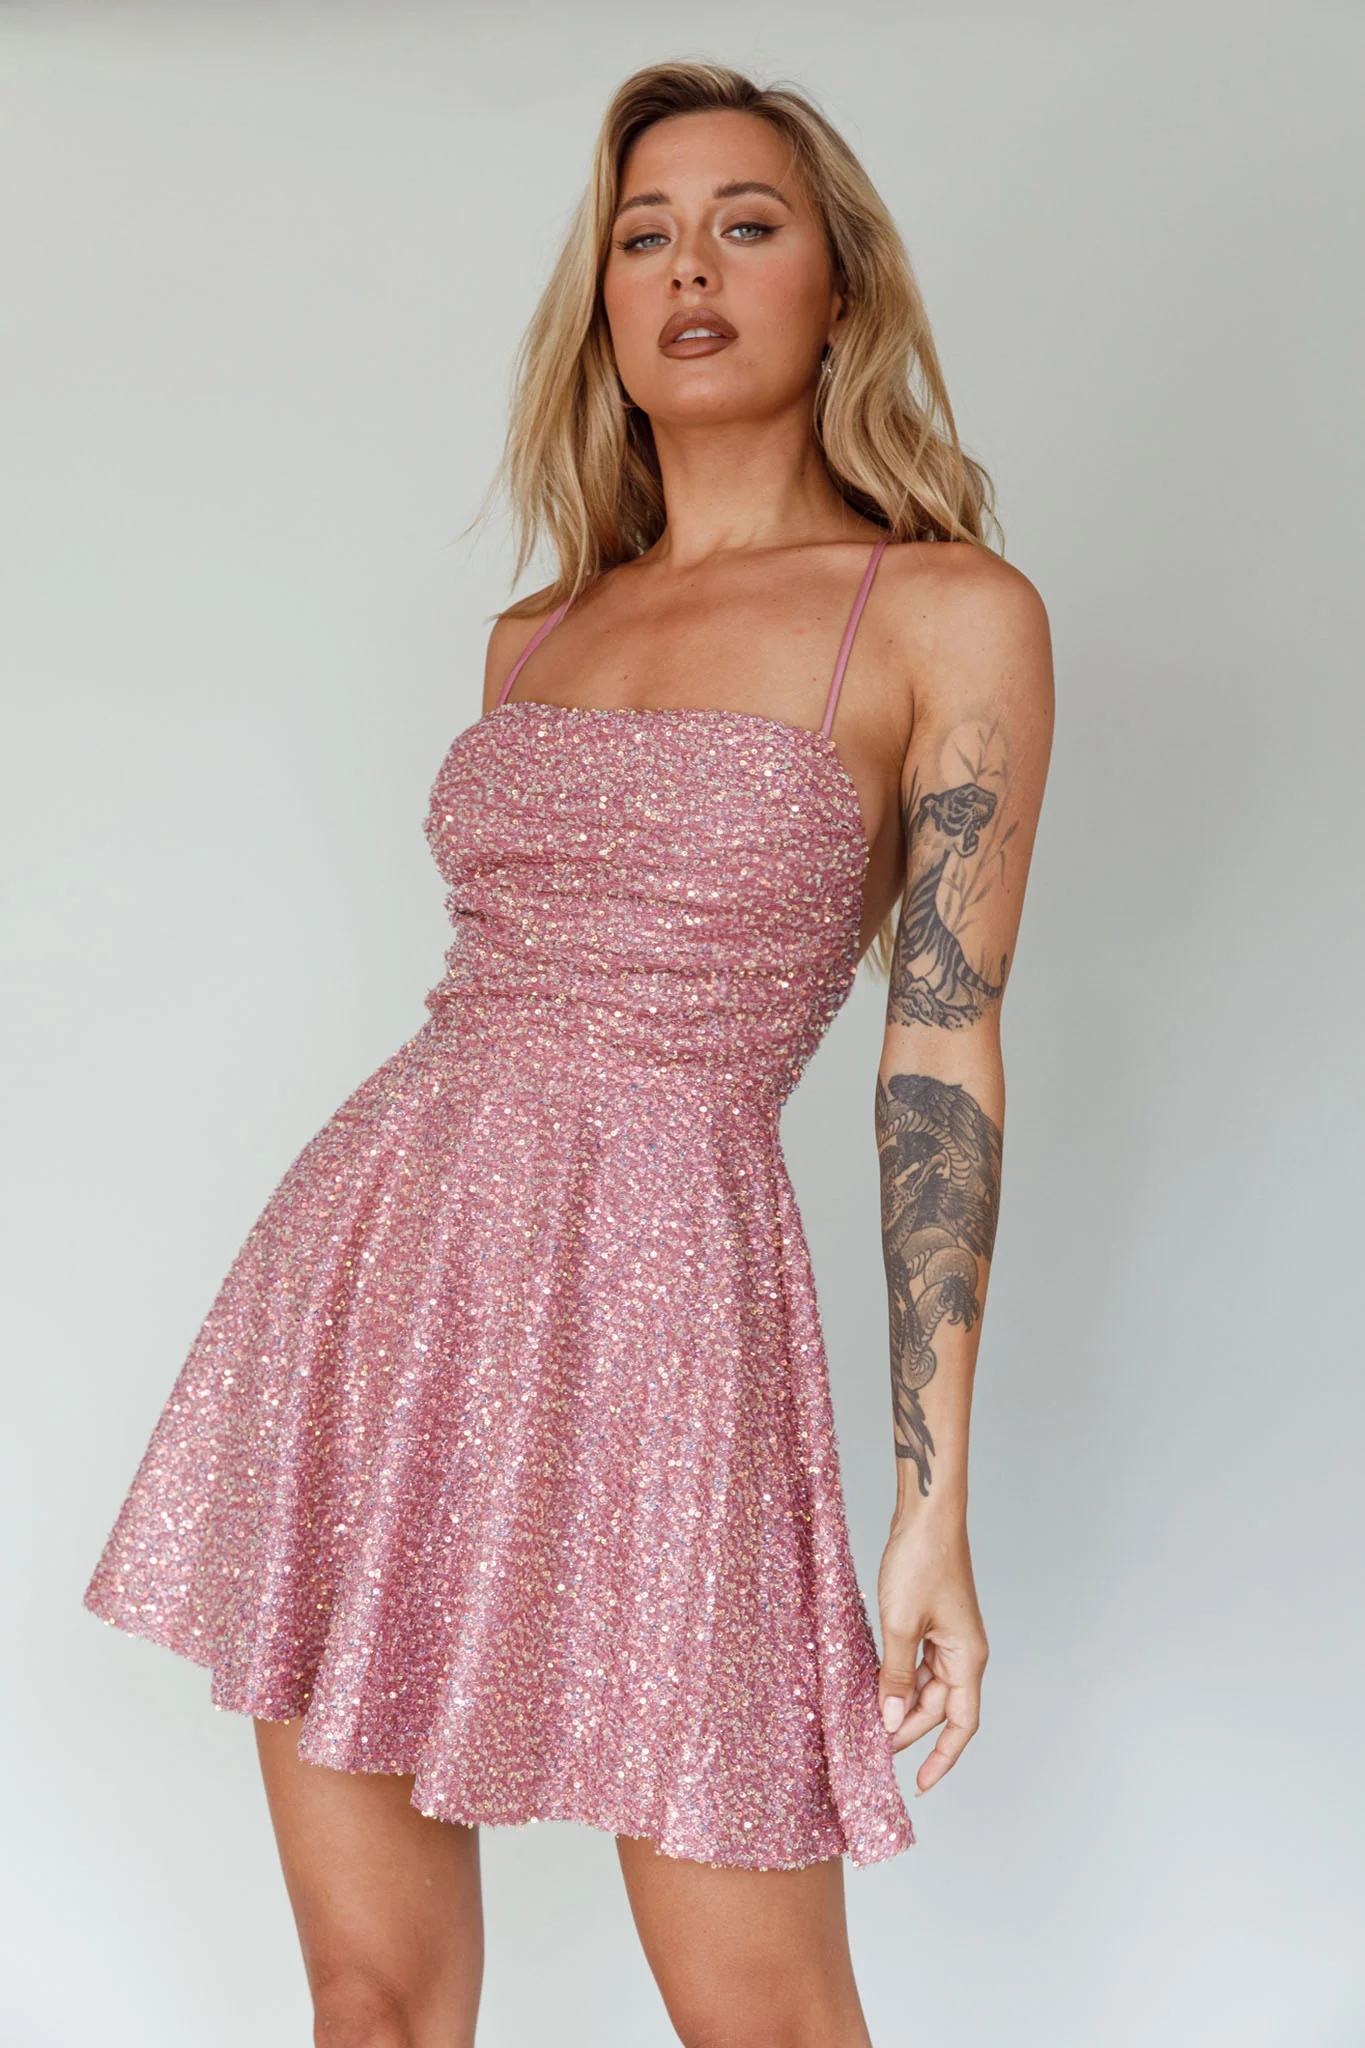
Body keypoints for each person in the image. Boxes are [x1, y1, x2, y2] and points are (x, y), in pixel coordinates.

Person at [83, 58, 1054, 2048]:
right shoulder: (534, 635)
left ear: (841, 289)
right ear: (603, 304)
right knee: (371, 2004)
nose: (688, 267)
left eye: (745, 225)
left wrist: (930, 1500)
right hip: (388, 1277)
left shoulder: (946, 613)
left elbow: (938, 1054)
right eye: (643, 235)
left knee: (764, 2016)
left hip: (671, 1305)